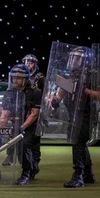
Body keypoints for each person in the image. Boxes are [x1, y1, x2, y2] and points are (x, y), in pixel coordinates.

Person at [48, 47, 95, 188]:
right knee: (79, 144)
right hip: (73, 116)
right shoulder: (70, 76)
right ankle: (87, 175)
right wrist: (54, 101)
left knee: (78, 143)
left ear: (85, 60)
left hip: (86, 115)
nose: (73, 60)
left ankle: (78, 177)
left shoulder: (93, 76)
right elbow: (60, 95)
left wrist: (84, 90)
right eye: (72, 57)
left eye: (77, 57)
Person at [3, 64, 42, 186]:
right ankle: (33, 168)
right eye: (13, 77)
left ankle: (25, 174)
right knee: (20, 151)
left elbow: (34, 114)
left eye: (18, 78)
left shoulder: (36, 92)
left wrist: (22, 127)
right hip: (17, 125)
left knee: (25, 145)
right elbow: (5, 112)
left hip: (32, 126)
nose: (15, 80)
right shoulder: (10, 93)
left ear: (25, 78)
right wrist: (1, 126)